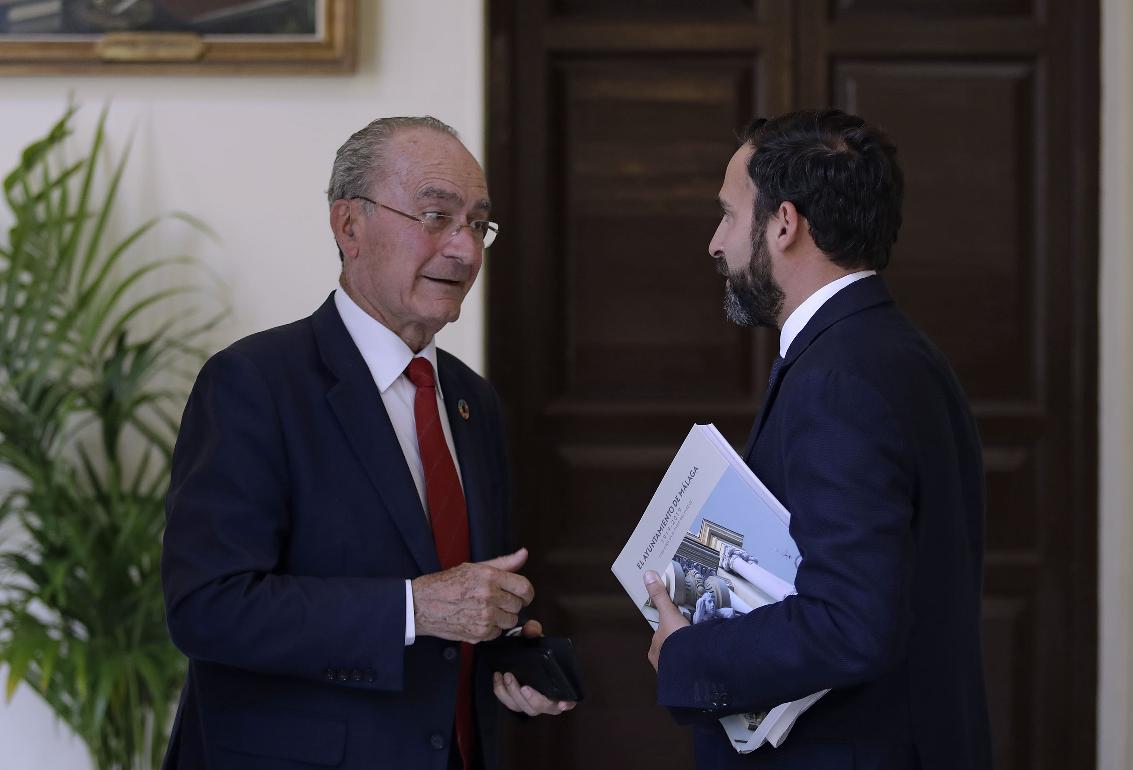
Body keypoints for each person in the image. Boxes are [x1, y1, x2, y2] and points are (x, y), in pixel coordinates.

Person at [161, 116, 573, 770]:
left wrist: (509, 653)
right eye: (436, 216)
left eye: (477, 224)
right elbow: (207, 608)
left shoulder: (476, 403)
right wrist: (414, 607)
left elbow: (463, 604)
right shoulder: (253, 384)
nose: (464, 250)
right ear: (348, 226)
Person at [642, 109, 992, 769]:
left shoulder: (841, 378)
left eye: (728, 215)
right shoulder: (895, 349)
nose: (716, 243)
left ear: (784, 223)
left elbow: (852, 623)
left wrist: (687, 654)